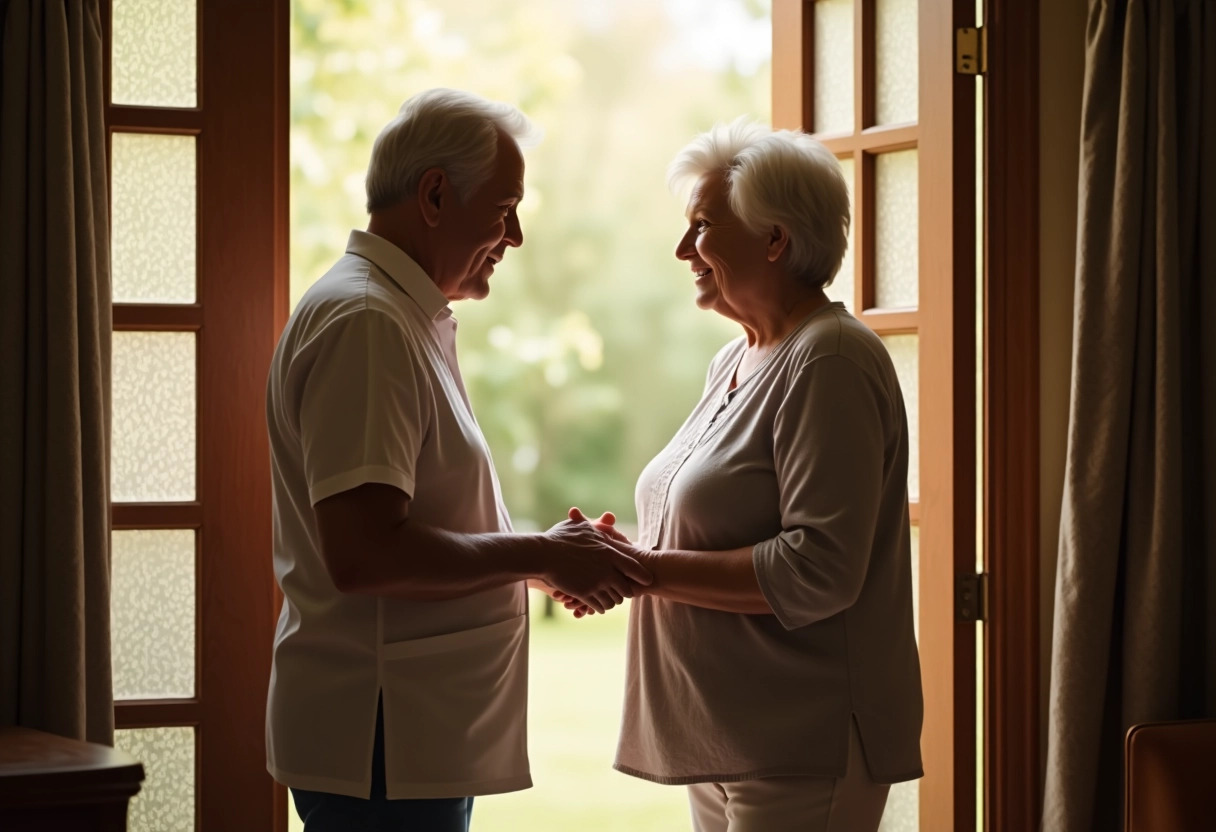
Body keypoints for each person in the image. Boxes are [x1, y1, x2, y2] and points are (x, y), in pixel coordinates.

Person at [264, 88, 650, 832]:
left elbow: (417, 519)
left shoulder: (395, 315)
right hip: (382, 742)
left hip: (406, 737)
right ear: (435, 195)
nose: (517, 237)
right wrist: (539, 551)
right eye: (505, 210)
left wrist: (547, 561)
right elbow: (366, 554)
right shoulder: (368, 324)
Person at [563, 119, 923, 831]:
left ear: (774, 240)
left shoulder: (831, 362)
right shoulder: (735, 360)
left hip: (802, 741)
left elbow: (820, 568)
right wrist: (610, 557)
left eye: (700, 228)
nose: (681, 250)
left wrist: (642, 570)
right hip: (730, 734)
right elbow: (704, 522)